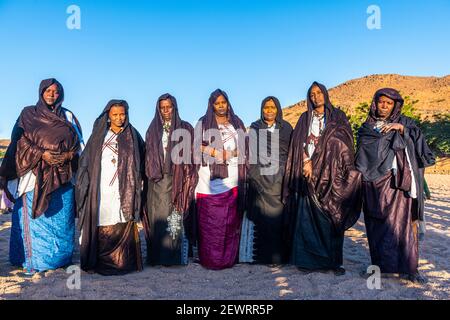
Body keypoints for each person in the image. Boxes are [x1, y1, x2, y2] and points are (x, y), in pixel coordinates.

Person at [0, 78, 82, 274]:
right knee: (35, 221)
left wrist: (69, 155)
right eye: (48, 91)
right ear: (41, 92)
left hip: (63, 175)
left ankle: (59, 258)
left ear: (60, 94)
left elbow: (79, 142)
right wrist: (41, 154)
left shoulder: (68, 116)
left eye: (55, 91)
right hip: (33, 176)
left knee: (62, 220)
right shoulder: (28, 114)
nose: (52, 94)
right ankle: (34, 260)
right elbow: (19, 142)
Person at [355, 88, 435, 283]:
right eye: (381, 102)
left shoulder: (406, 123)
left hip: (399, 184)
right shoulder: (367, 127)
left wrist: (401, 129)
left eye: (389, 103)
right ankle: (379, 268)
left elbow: (420, 144)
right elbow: (361, 157)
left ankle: (410, 269)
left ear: (395, 106)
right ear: (375, 103)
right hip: (374, 185)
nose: (384, 106)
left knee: (404, 226)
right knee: (376, 226)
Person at [283, 82, 362, 275]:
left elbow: (345, 143)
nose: (315, 97)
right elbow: (297, 144)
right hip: (307, 174)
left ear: (325, 94)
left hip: (331, 175)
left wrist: (323, 159)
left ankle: (333, 262)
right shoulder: (304, 119)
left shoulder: (338, 117)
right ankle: (308, 261)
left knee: (332, 217)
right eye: (312, 94)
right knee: (307, 219)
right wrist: (305, 161)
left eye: (319, 93)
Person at [76, 100, 144, 275]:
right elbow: (86, 161)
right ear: (108, 115)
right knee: (103, 219)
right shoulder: (99, 136)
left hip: (125, 187)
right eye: (115, 114)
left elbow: (143, 156)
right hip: (102, 188)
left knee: (122, 219)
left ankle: (124, 263)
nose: (119, 118)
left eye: (122, 114)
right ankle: (101, 264)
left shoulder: (133, 134)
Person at [194, 89, 247, 270]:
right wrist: (216, 152)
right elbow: (195, 145)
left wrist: (229, 153)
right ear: (212, 105)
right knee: (210, 223)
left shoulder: (237, 122)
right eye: (217, 103)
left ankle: (228, 259)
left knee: (230, 222)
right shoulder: (203, 123)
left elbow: (245, 148)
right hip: (208, 181)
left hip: (232, 180)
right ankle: (210, 260)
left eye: (223, 102)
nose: (221, 106)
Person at [143, 94, 197, 266]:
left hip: (177, 179)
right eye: (162, 107)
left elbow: (192, 155)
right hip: (156, 182)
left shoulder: (185, 128)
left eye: (169, 107)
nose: (166, 111)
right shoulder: (152, 130)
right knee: (157, 219)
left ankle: (174, 257)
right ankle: (158, 257)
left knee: (175, 217)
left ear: (175, 107)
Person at [241, 96, 293, 264]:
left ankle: (280, 257)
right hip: (261, 179)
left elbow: (290, 153)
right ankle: (263, 257)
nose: (269, 111)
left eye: (272, 107)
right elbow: (253, 155)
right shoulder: (256, 127)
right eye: (266, 107)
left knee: (278, 220)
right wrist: (255, 177)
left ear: (278, 109)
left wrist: (284, 174)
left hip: (280, 179)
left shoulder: (286, 128)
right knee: (263, 220)